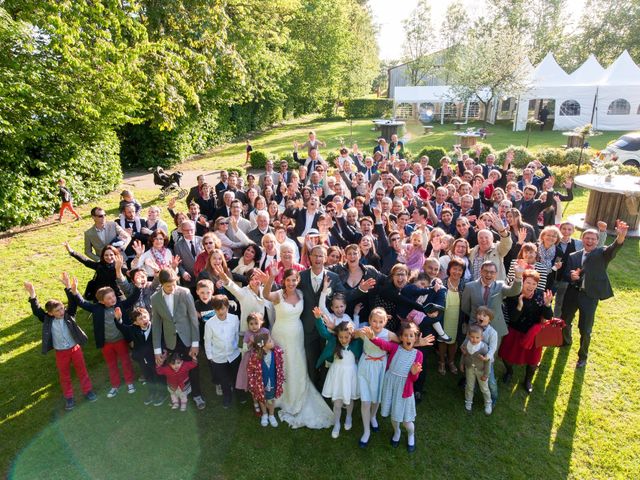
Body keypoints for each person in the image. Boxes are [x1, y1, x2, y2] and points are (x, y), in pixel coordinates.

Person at [257, 267, 333, 429]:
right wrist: (271, 277)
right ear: (284, 281)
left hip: (297, 334)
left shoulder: (301, 294)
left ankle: (297, 395)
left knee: (297, 364)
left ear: (298, 281)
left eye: (294, 280)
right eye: (288, 280)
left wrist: (325, 289)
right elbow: (265, 295)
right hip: (280, 335)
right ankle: (281, 396)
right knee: (282, 365)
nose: (291, 283)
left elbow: (317, 302)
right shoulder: (278, 295)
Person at [560, 220, 628, 368]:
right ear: (582, 239)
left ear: (597, 241)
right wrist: (571, 277)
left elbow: (614, 248)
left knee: (585, 329)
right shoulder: (573, 256)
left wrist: (620, 236)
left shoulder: (602, 254)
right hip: (572, 293)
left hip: (589, 296)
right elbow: (565, 274)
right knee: (565, 320)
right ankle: (566, 341)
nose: (589, 241)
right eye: (587, 238)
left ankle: (582, 356)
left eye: (593, 239)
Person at [25, 276, 96, 411]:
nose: (61, 312)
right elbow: (37, 311)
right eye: (57, 311)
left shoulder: (69, 315)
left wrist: (68, 287)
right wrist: (32, 294)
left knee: (82, 371)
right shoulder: (47, 320)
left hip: (75, 349)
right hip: (61, 353)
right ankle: (69, 398)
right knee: (64, 376)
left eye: (62, 309)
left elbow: (72, 302)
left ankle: (88, 391)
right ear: (50, 313)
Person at [362, 322, 427, 454]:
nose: (408, 338)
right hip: (390, 385)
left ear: (416, 338)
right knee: (394, 416)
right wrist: (372, 338)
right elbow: (383, 344)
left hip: (404, 389)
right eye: (406, 336)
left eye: (411, 336)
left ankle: (410, 435)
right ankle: (396, 432)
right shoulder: (395, 348)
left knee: (407, 421)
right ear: (401, 337)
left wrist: (414, 373)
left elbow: (414, 379)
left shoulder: (418, 354)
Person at [70, 282, 137, 398]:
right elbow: (82, 303)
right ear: (101, 301)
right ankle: (115, 385)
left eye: (113, 296)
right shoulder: (96, 309)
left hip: (120, 341)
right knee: (112, 365)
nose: (113, 299)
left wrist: (139, 287)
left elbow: (132, 299)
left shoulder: (120, 305)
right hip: (106, 343)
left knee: (126, 362)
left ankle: (130, 382)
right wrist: (75, 292)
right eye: (109, 298)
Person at [151, 268, 206, 410]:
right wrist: (157, 351)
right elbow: (156, 326)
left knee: (193, 367)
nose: (172, 288)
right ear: (162, 284)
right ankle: (179, 395)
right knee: (175, 369)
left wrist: (195, 343)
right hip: (171, 342)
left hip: (187, 340)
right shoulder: (155, 299)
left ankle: (197, 395)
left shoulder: (185, 293)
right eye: (169, 286)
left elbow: (194, 320)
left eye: (174, 284)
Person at [499, 270, 554, 393]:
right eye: (528, 283)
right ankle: (509, 372)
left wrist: (547, 305)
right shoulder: (513, 296)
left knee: (533, 361)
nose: (531, 286)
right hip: (515, 331)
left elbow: (549, 316)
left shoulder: (541, 295)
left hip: (533, 334)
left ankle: (528, 380)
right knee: (506, 356)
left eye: (534, 284)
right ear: (522, 282)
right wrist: (519, 306)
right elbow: (513, 318)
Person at [314, 312, 362, 439]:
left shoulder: (356, 343)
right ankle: (336, 424)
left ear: (351, 336)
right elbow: (323, 332)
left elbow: (364, 335)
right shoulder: (334, 341)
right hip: (337, 374)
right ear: (337, 336)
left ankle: (349, 417)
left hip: (350, 374)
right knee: (337, 403)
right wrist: (319, 319)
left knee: (350, 398)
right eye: (341, 337)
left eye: (347, 337)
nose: (344, 340)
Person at [115, 307, 166, 406]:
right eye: (140, 319)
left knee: (158, 376)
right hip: (143, 359)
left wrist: (164, 351)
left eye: (145, 317)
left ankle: (162, 394)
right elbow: (122, 328)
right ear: (136, 323)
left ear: (149, 315)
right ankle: (152, 393)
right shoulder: (133, 328)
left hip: (155, 358)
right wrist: (118, 319)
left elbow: (163, 340)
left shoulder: (156, 327)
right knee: (148, 376)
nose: (144, 320)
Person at [203, 295, 241, 408]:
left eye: (223, 308)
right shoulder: (209, 323)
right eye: (217, 309)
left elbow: (236, 335)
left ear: (227, 307)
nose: (220, 311)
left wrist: (236, 348)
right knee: (224, 380)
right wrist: (210, 356)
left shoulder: (234, 319)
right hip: (218, 357)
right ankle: (227, 396)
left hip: (234, 355)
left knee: (235, 377)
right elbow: (207, 341)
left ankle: (239, 394)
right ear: (214, 309)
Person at [247, 332, 284, 427]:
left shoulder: (276, 353)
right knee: (262, 399)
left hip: (273, 382)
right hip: (260, 384)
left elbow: (279, 366)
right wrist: (252, 382)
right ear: (263, 346)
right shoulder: (255, 357)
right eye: (270, 341)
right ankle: (264, 414)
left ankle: (271, 415)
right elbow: (250, 370)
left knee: (271, 399)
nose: (273, 342)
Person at [236, 313, 270, 414]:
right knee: (253, 381)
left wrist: (257, 342)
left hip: (263, 359)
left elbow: (267, 345)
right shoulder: (247, 333)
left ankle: (265, 399)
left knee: (263, 380)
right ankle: (255, 402)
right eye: (251, 324)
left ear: (261, 323)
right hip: (251, 360)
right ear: (248, 325)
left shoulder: (265, 332)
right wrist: (250, 342)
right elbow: (244, 349)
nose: (254, 326)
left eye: (256, 323)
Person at [460, 324, 492, 415]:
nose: (474, 340)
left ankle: (488, 403)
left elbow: (487, 362)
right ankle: (468, 401)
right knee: (469, 386)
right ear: (469, 336)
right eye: (472, 337)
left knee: (484, 388)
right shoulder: (466, 344)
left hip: (481, 371)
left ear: (481, 337)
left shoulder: (484, 348)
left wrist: (486, 374)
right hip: (469, 368)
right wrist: (461, 363)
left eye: (477, 337)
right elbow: (464, 354)